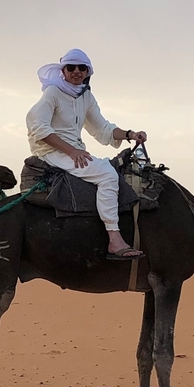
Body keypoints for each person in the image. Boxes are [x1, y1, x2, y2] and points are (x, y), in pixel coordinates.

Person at [25, 49, 148, 260]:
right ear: (62, 70)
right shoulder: (53, 93)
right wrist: (72, 152)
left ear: (87, 71)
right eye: (70, 67)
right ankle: (114, 239)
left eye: (82, 68)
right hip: (52, 152)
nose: (76, 72)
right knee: (108, 175)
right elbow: (40, 129)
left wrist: (130, 134)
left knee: (108, 169)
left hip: (74, 150)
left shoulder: (86, 96)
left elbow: (103, 129)